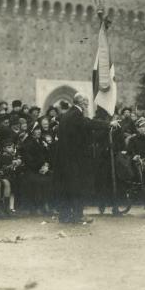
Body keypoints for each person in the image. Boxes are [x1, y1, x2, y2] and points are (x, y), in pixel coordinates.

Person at [53, 93, 119, 223]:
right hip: (74, 159)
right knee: (77, 187)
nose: (88, 104)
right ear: (81, 103)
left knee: (68, 188)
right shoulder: (76, 115)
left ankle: (65, 216)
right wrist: (109, 124)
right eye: (86, 102)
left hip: (65, 158)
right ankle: (78, 216)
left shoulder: (67, 115)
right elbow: (89, 123)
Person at [19, 121, 53, 215]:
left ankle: (48, 204)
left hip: (43, 168)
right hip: (31, 170)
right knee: (38, 180)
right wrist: (40, 167)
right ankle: (37, 206)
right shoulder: (27, 143)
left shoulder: (42, 141)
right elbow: (29, 161)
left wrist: (46, 165)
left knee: (53, 177)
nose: (38, 131)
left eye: (39, 129)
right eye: (36, 130)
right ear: (31, 131)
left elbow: (49, 156)